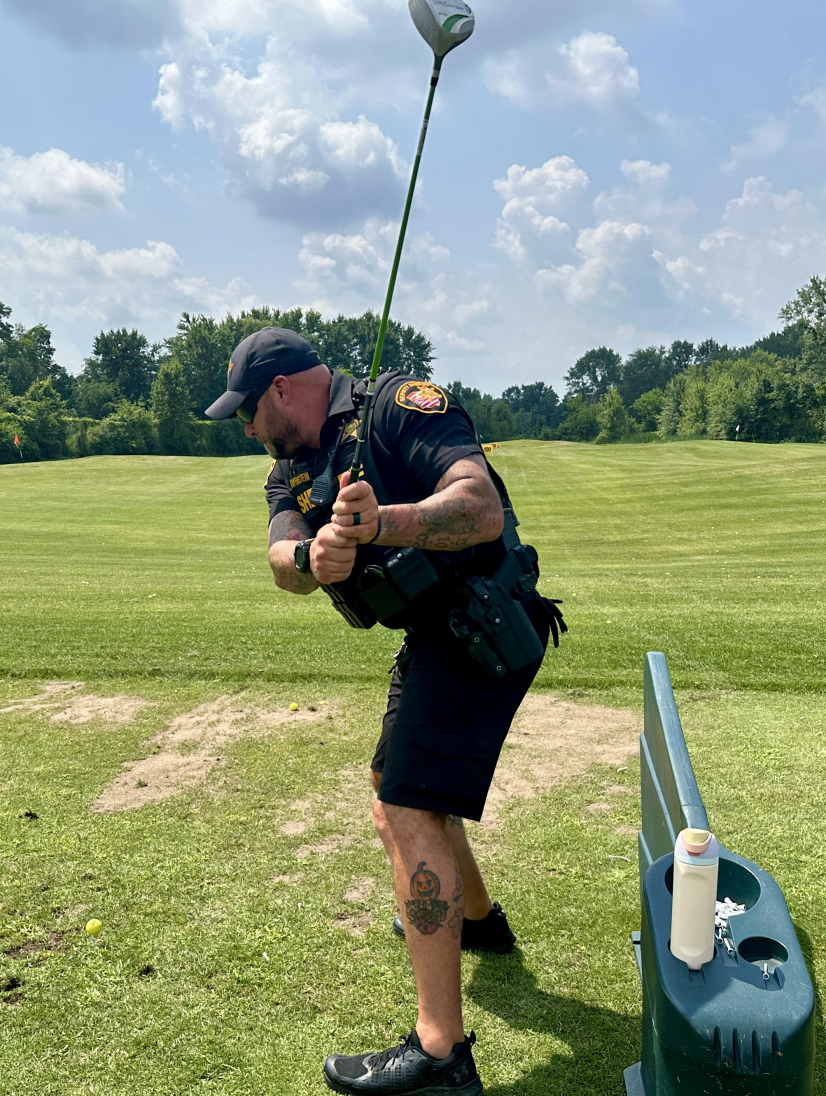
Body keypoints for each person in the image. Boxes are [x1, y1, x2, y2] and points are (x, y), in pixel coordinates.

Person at [206, 327, 565, 1095]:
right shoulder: (291, 467)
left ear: (280, 390)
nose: (247, 429)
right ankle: (478, 921)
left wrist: (382, 523)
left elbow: (480, 509)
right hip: (431, 636)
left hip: (483, 622)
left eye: (246, 411)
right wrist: (309, 558)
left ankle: (440, 1055)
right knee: (391, 788)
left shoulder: (400, 406)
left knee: (404, 810)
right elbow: (281, 555)